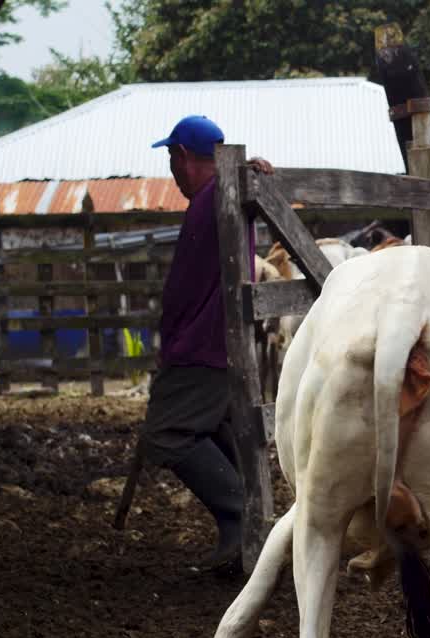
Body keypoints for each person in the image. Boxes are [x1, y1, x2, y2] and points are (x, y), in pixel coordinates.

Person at [140, 115, 273, 574]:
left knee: (165, 433)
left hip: (201, 345)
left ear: (182, 156)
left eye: (171, 159)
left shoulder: (217, 194)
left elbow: (182, 289)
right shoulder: (219, 195)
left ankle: (244, 518)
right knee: (217, 429)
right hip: (217, 341)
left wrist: (249, 170)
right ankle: (244, 533)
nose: (171, 171)